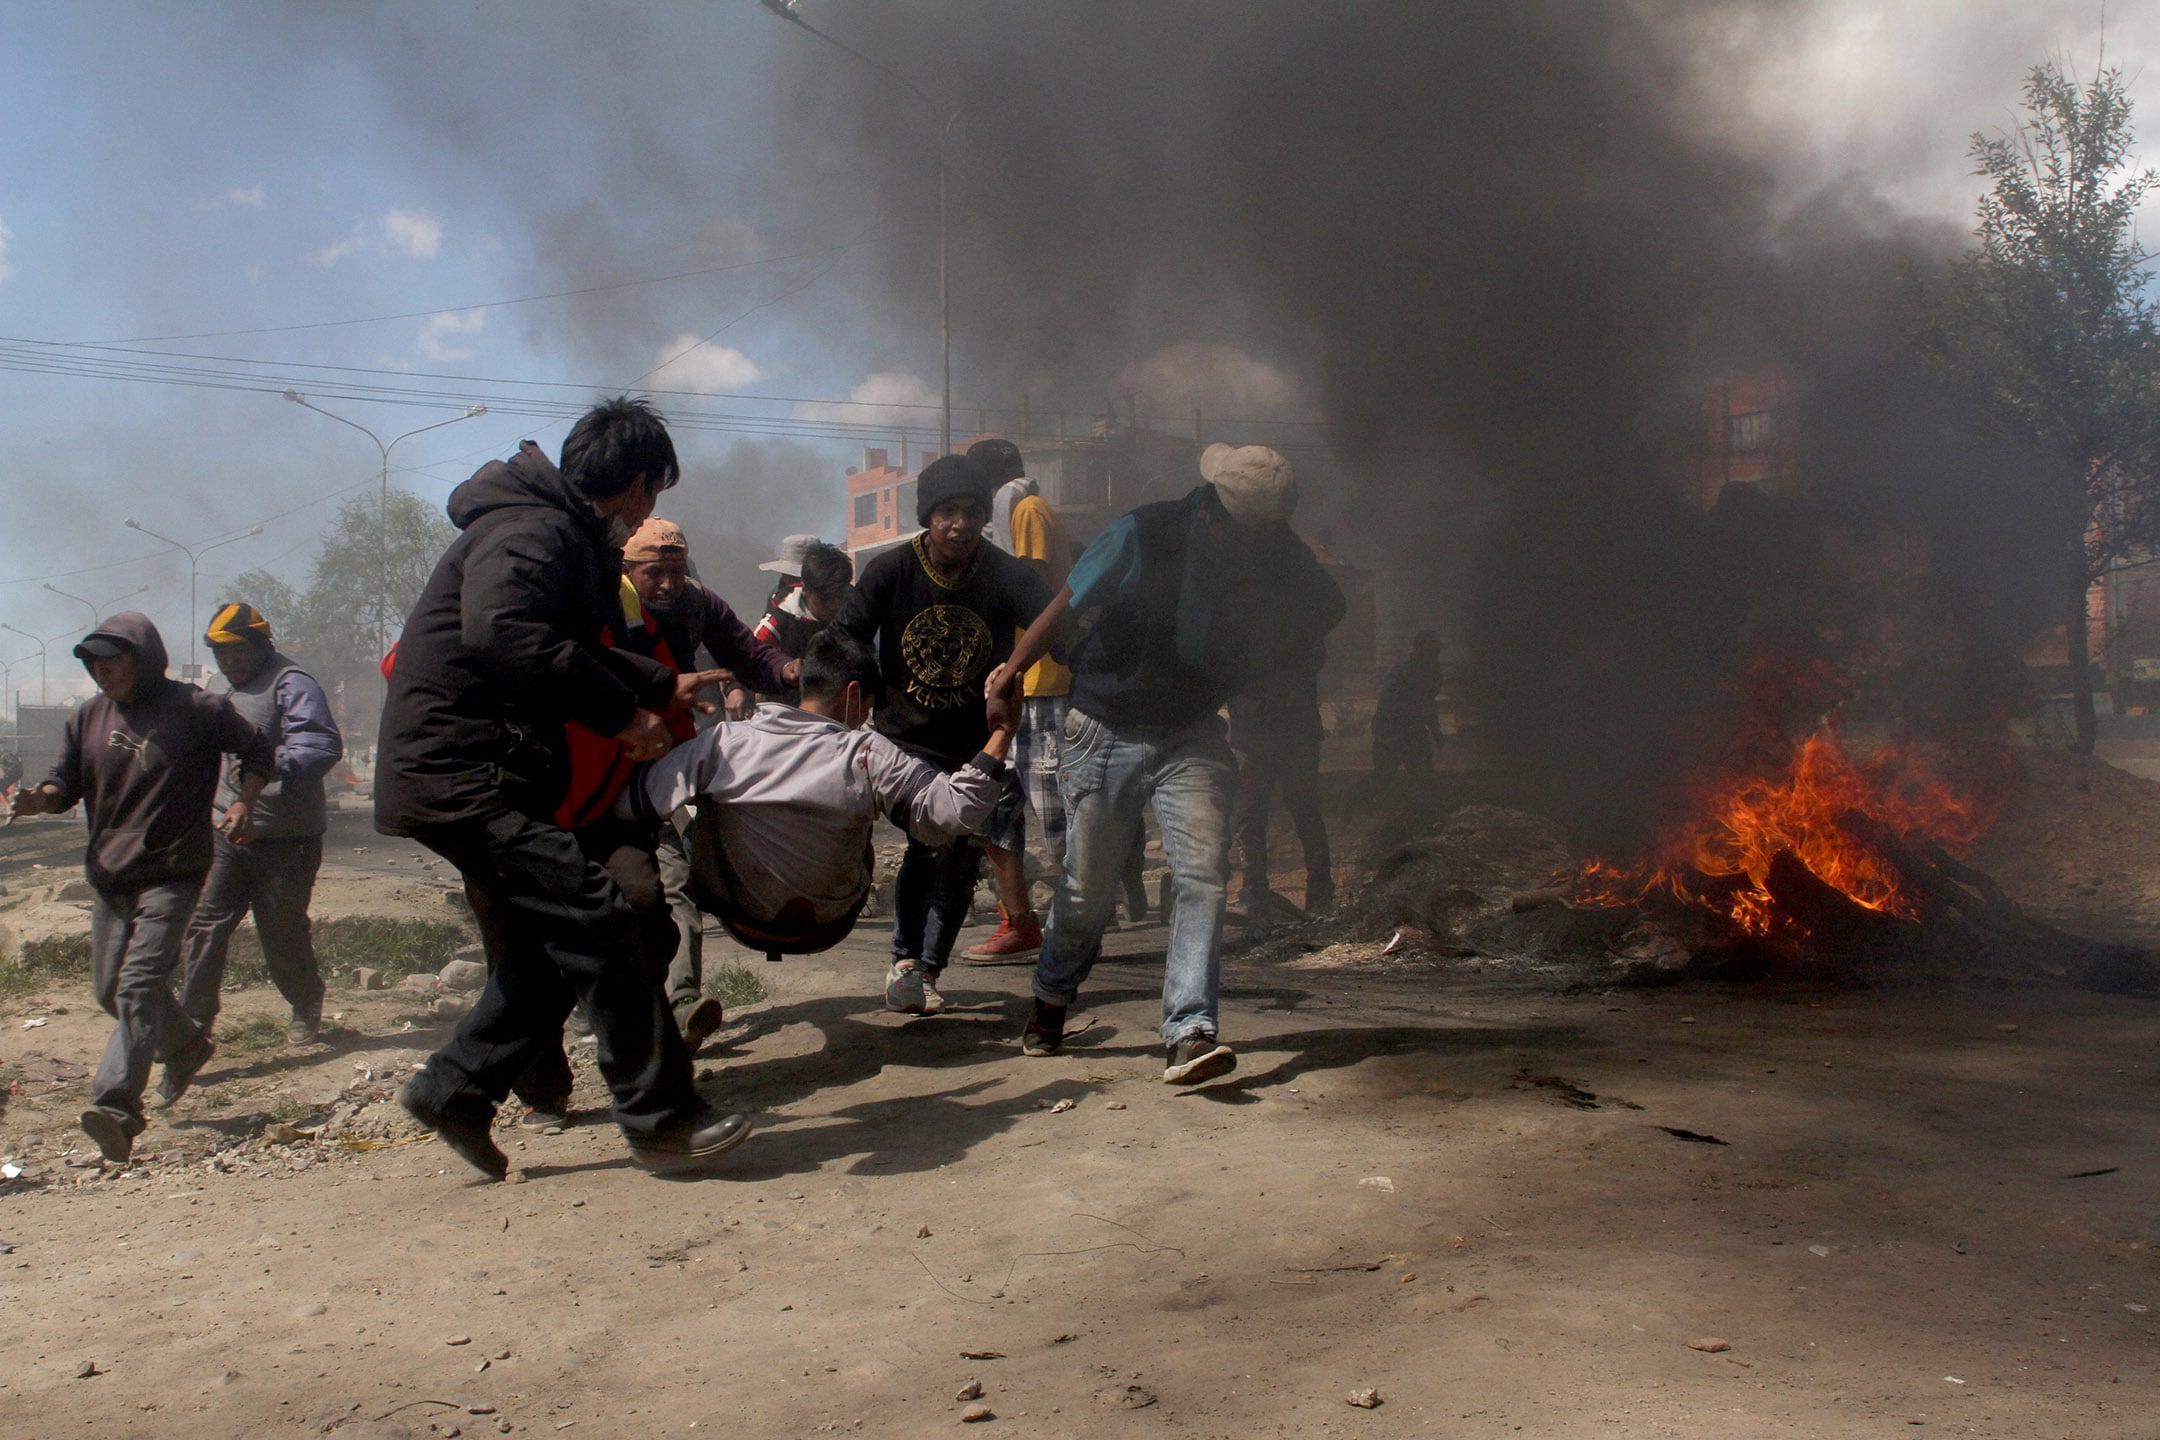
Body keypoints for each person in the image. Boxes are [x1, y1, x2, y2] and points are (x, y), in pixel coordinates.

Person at [376, 396, 748, 1181]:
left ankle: (456, 1091)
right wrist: (622, 716)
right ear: (640, 485)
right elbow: (504, 635)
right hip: (462, 774)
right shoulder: (530, 529)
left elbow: (568, 645)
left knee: (557, 945)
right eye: (654, 494)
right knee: (603, 916)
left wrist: (658, 684)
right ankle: (661, 1119)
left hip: (483, 769)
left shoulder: (549, 528)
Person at [989, 443, 1338, 1084]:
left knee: (1203, 874)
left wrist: (1264, 660)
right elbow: (1064, 603)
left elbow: (1324, 605)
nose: (1269, 540)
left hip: (1193, 733)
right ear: (1216, 511)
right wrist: (1009, 676)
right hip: (1103, 725)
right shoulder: (1144, 532)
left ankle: (1188, 1029)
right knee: (1087, 889)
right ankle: (1052, 996)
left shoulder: (1274, 550)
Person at [9, 614, 275, 1162]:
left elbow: (258, 750)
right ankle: (186, 1043)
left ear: (146, 658)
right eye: (93, 664)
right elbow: (66, 783)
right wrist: (43, 799)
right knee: (109, 990)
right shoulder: (87, 717)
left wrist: (244, 799)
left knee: (137, 985)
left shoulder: (198, 708)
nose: (102, 672)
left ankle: (117, 1109)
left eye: (113, 661)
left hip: (173, 873)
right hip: (110, 874)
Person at [622, 628, 1018, 938]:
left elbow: (634, 803)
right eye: (867, 705)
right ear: (852, 694)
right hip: (831, 915)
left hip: (736, 907)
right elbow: (951, 814)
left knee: (693, 804)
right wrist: (1002, 731)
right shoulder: (867, 753)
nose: (864, 716)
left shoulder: (724, 742)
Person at [839, 453, 1051, 1015]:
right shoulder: (889, 572)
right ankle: (906, 961)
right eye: (948, 511)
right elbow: (846, 640)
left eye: (972, 511)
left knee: (961, 856)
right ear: (927, 517)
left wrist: (1020, 667)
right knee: (927, 845)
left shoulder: (1003, 573)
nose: (960, 523)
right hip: (904, 741)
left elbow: (1059, 618)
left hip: (976, 743)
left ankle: (927, 972)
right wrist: (842, 702)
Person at [617, 517, 798, 1053]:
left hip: (668, 760)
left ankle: (681, 1001)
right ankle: (601, 1005)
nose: (669, 585)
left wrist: (789, 672)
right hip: (602, 761)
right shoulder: (601, 600)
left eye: (677, 571)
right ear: (628, 569)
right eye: (656, 574)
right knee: (609, 890)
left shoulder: (698, 603)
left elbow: (748, 653)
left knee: (674, 877)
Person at [176, 603, 346, 1045]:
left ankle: (305, 1003)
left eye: (237, 652)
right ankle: (192, 1028)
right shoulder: (216, 687)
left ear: (261, 645)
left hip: (285, 839)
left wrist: (269, 763)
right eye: (220, 654)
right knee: (205, 926)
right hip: (227, 837)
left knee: (282, 931)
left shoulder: (292, 683)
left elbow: (321, 743)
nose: (228, 663)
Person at [961, 437, 1073, 963]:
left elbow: (1026, 586)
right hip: (1019, 683)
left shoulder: (1026, 507)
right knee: (1001, 800)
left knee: (1054, 810)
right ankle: (1019, 920)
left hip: (1044, 680)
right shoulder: (1018, 509)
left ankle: (1081, 917)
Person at [1229, 565, 1345, 917]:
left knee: (1302, 810)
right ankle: (1256, 890)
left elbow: (1317, 648)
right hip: (1259, 735)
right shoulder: (1241, 628)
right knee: (1253, 814)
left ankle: (1318, 893)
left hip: (1290, 732)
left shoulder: (1298, 626)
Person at [752, 540, 854, 705]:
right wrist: (736, 688)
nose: (834, 605)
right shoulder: (781, 615)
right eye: (825, 599)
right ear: (805, 589)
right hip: (787, 702)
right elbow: (750, 652)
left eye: (839, 596)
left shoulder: (856, 607)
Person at [1368, 630, 1445, 803]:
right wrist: (1388, 734)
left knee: (1425, 779)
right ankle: (1351, 801)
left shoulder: (1433, 674)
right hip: (1392, 732)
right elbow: (1388, 704)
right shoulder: (1402, 672)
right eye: (1431, 651)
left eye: (1436, 652)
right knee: (1383, 778)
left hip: (1413, 732)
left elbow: (1428, 704)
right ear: (1419, 650)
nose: (1435, 656)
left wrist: (1435, 731)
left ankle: (1425, 818)